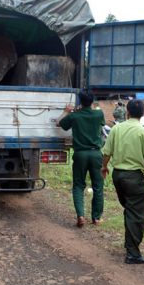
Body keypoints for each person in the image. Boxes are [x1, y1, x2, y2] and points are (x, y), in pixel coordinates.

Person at [101, 100, 144, 264]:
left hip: (118, 175)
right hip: (133, 177)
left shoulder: (116, 129)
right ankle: (133, 253)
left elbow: (107, 152)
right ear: (143, 113)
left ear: (127, 112)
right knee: (136, 214)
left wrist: (104, 167)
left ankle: (130, 245)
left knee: (129, 210)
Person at [57, 90, 105, 227]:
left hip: (80, 154)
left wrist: (67, 111)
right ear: (92, 101)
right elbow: (99, 121)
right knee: (98, 186)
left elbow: (59, 123)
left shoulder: (74, 116)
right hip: (96, 154)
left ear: (79, 101)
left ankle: (80, 216)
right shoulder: (99, 114)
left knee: (78, 185)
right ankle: (96, 218)